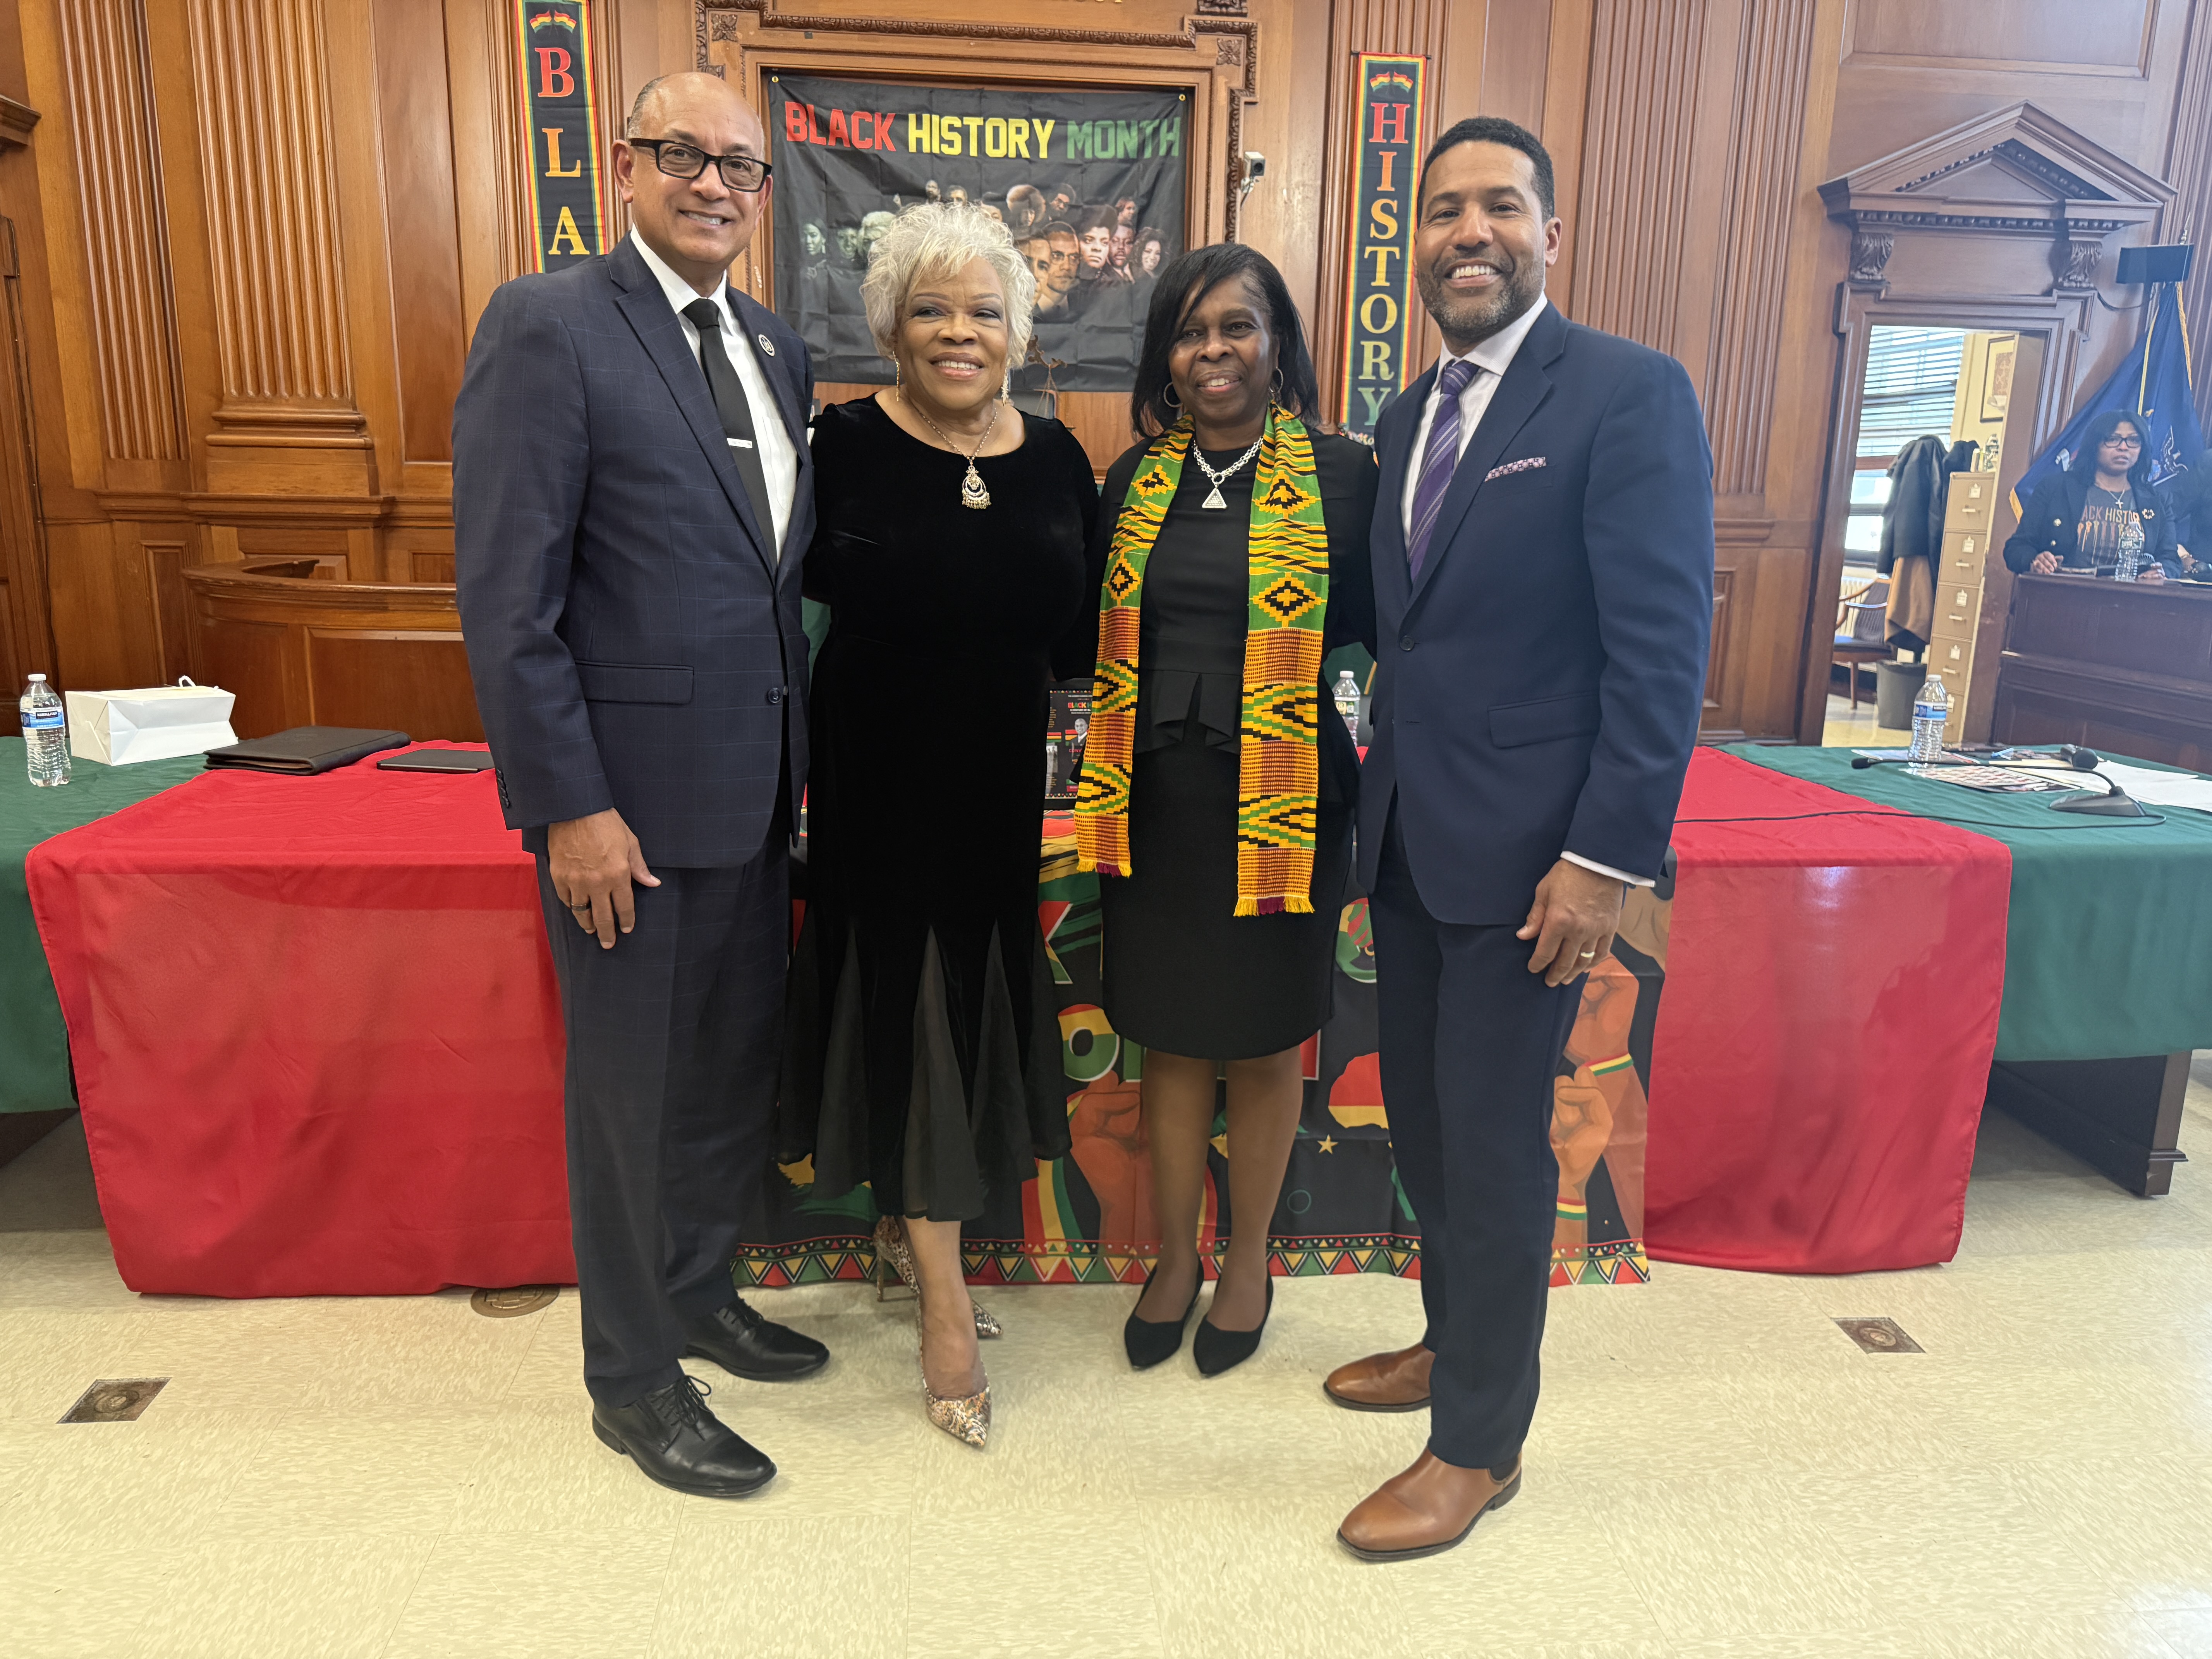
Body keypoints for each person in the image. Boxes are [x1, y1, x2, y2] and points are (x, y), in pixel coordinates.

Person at [1328, 115, 1713, 1561]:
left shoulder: (1625, 393)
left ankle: (1478, 1441)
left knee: (1491, 1148)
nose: (1468, 233)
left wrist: (1606, 859)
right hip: (1418, 849)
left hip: (1541, 866)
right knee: (1426, 1127)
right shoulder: (1408, 409)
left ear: (1552, 232)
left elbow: (1660, 649)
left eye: (1499, 206)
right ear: (1413, 242)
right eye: (1442, 211)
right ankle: (1451, 1342)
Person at [452, 71, 829, 1502]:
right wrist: (568, 805)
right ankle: (630, 1377)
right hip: (622, 816)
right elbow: (508, 601)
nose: (717, 183)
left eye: (743, 165)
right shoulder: (549, 326)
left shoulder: (777, 350)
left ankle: (695, 1290)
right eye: (687, 156)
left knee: (725, 1076)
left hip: (753, 799)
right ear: (626, 166)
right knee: (626, 1096)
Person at [785, 203, 1099, 1449]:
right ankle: (947, 1304)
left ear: (1017, 330)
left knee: (964, 997)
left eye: (981, 310)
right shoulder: (840, 446)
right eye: (929, 310)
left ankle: (906, 1239)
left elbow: (1073, 648)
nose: (956, 332)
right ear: (890, 328)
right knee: (902, 999)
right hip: (875, 785)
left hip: (996, 801)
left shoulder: (1061, 458)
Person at [1076, 244, 1377, 1378]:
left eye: (1236, 328)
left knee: (1257, 1046)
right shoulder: (1130, 480)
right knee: (1165, 1043)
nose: (1213, 351)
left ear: (1274, 344)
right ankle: (1171, 1259)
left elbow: (1401, 632)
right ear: (1165, 353)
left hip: (1287, 800)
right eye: (1191, 331)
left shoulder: (1345, 476)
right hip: (1154, 804)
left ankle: (1245, 1258)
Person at [2003, 410, 2178, 582]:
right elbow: (2016, 549)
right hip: (2063, 597)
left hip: (2131, 603)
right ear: (2094, 445)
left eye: (2134, 441)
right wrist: (2035, 561)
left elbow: (2171, 561)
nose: (2123, 447)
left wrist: (2161, 574)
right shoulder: (2055, 488)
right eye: (2112, 439)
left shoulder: (2157, 500)